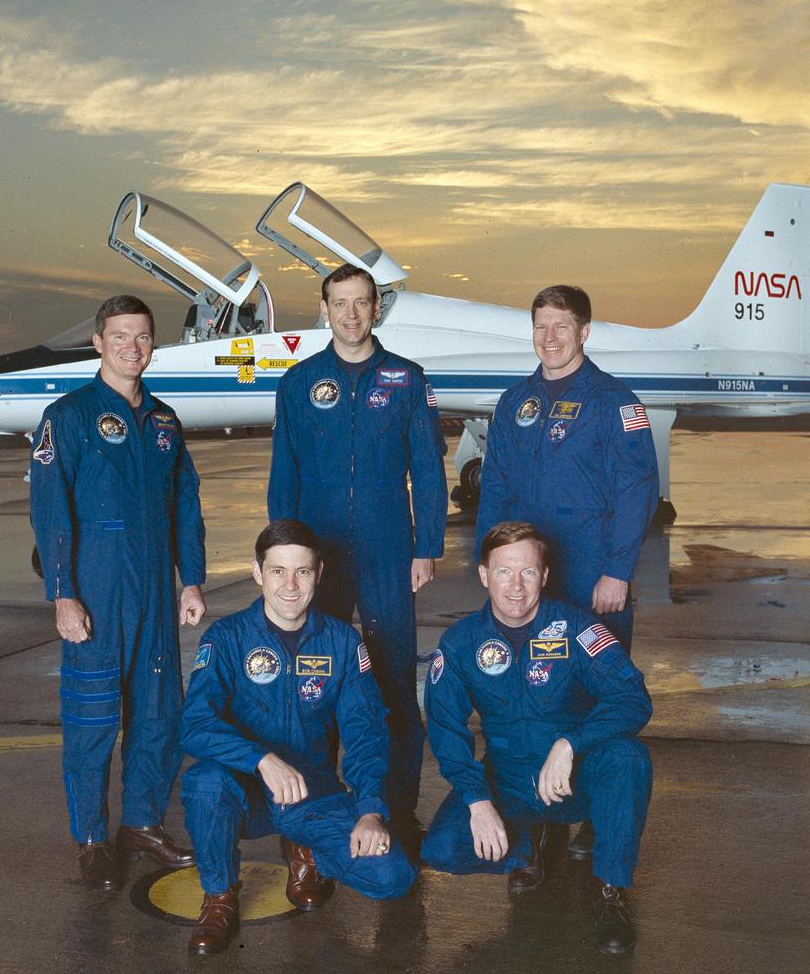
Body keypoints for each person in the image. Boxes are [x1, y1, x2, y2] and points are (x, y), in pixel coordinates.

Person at [29, 294, 205, 891]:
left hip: (155, 593)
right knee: (92, 720)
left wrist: (192, 579)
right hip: (98, 594)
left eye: (143, 337)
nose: (133, 347)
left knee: (158, 715)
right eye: (121, 336)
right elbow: (51, 511)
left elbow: (186, 503)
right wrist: (63, 594)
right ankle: (91, 838)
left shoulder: (163, 422)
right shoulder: (69, 416)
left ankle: (142, 824)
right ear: (99, 343)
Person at [267, 262, 447, 841]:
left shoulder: (406, 379)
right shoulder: (298, 383)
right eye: (339, 303)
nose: (350, 314)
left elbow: (428, 469)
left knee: (392, 684)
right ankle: (315, 808)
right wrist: (281, 558)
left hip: (387, 552)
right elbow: (284, 474)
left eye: (361, 302)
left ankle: (397, 811)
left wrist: (426, 547)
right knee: (312, 682)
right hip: (316, 558)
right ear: (324, 310)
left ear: (376, 309)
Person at [179, 520, 416, 956]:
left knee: (393, 877)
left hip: (311, 793)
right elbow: (194, 724)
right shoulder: (227, 638)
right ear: (257, 572)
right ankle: (219, 896)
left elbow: (365, 733)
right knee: (204, 783)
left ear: (319, 573)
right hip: (246, 791)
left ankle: (306, 848)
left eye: (302, 571)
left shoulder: (341, 643)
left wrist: (369, 811)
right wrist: (260, 759)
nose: (290, 585)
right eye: (278, 571)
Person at [421, 522, 652, 955]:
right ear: (484, 575)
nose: (516, 585)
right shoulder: (461, 644)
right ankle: (529, 844)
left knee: (628, 758)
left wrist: (571, 744)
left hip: (572, 779)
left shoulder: (576, 629)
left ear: (544, 576)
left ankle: (610, 888)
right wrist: (477, 801)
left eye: (527, 571)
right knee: (442, 848)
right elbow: (446, 731)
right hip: (508, 781)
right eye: (504, 571)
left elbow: (632, 697)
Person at [475, 283, 658, 653]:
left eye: (561, 327)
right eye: (541, 327)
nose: (549, 338)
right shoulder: (514, 402)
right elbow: (495, 487)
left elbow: (636, 491)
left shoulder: (615, 402)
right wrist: (490, 562)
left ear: (584, 332)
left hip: (591, 573)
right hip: (525, 576)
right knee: (529, 673)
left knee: (598, 675)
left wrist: (617, 572)